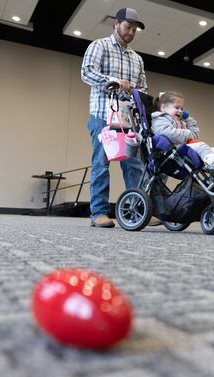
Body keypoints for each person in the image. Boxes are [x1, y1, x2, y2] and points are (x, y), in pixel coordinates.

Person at [81, 8, 160, 228]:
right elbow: (86, 72)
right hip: (102, 116)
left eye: (135, 29)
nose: (131, 32)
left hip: (127, 119)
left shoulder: (137, 59)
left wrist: (135, 89)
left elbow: (143, 87)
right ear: (116, 24)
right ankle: (98, 213)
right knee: (101, 163)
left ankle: (137, 211)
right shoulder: (99, 46)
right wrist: (115, 81)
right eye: (128, 27)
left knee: (133, 165)